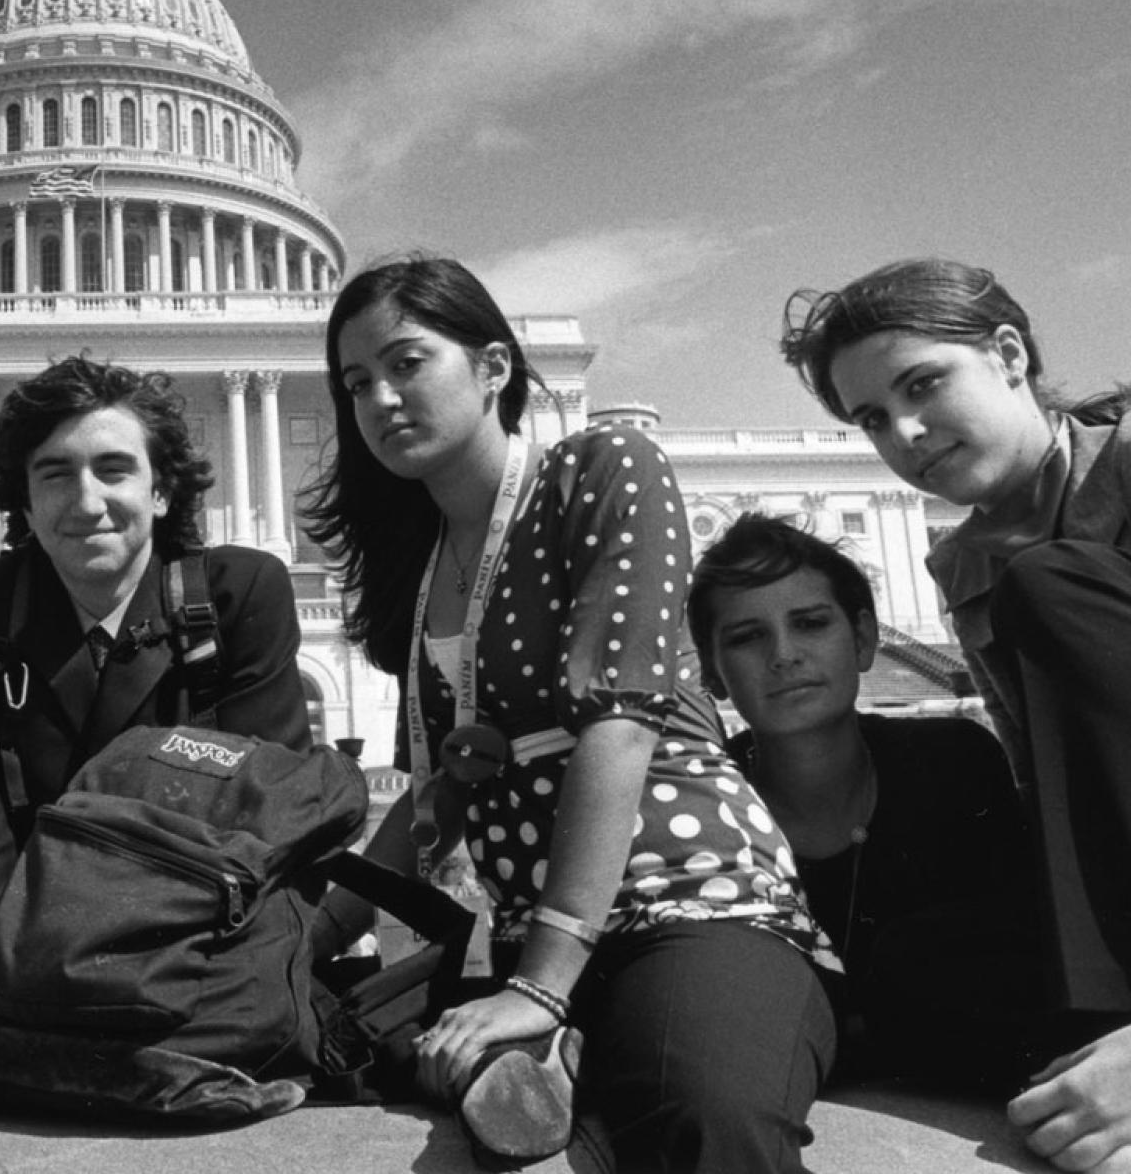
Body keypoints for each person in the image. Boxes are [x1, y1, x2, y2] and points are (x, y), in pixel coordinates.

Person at [303, 257, 834, 1172]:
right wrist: (306, 945)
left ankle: (583, 1040)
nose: (381, 399)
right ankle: (574, 1050)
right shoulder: (419, 563)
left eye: (406, 363)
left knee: (707, 1115)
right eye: (356, 384)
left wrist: (542, 988)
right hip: (533, 934)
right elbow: (436, 796)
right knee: (338, 1049)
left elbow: (618, 725)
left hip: (688, 897)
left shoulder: (600, 467)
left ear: (494, 367)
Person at [781, 257, 1131, 1170]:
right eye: (871, 418)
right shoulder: (967, 561)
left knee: (1050, 586)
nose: (904, 433)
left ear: (1009, 354)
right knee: (910, 965)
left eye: (923, 384)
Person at [0, 355, 310, 1030]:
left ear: (161, 491)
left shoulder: (240, 597)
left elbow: (269, 831)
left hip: (197, 997)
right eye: (55, 474)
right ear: (24, 501)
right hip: (18, 995)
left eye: (113, 469)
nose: (87, 501)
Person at [690, 512, 1035, 1088]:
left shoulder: (957, 762)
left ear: (865, 639)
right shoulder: (704, 803)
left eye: (810, 623)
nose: (784, 654)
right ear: (712, 673)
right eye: (747, 637)